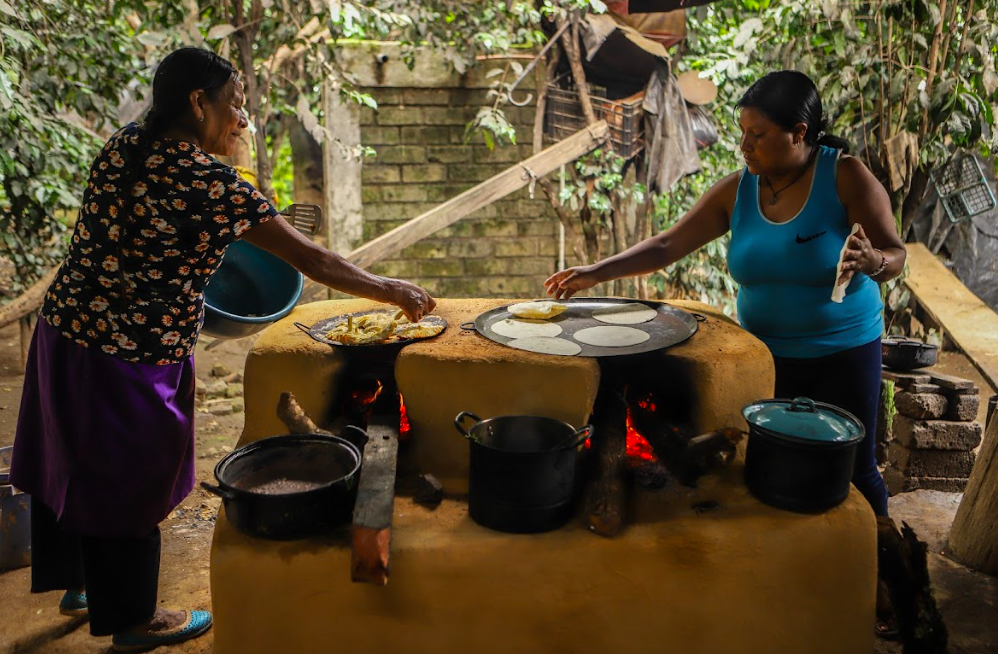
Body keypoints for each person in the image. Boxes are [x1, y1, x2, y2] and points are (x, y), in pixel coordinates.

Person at [10, 47, 435, 652]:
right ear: (197, 102)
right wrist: (389, 289)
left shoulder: (126, 143)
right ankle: (134, 619)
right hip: (132, 353)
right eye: (235, 107)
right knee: (131, 478)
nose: (241, 120)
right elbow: (311, 258)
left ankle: (80, 583)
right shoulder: (211, 184)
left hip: (66, 331)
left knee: (71, 454)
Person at [546, 70, 906, 633]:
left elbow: (894, 251)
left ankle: (884, 580)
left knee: (856, 469)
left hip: (844, 351)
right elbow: (668, 244)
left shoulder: (846, 178)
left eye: (757, 134)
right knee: (770, 470)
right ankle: (795, 575)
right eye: (742, 132)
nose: (744, 145)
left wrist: (874, 263)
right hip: (764, 356)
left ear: (800, 132)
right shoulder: (739, 189)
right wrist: (595, 272)